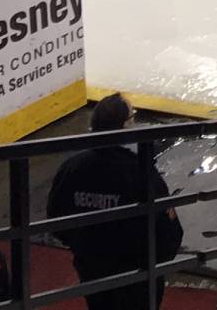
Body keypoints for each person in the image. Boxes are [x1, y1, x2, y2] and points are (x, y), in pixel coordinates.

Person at [47, 95, 178, 310]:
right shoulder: (139, 172)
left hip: (92, 269)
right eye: (133, 117)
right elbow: (167, 229)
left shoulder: (73, 167)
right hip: (136, 274)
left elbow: (55, 216)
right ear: (125, 124)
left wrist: (83, 247)